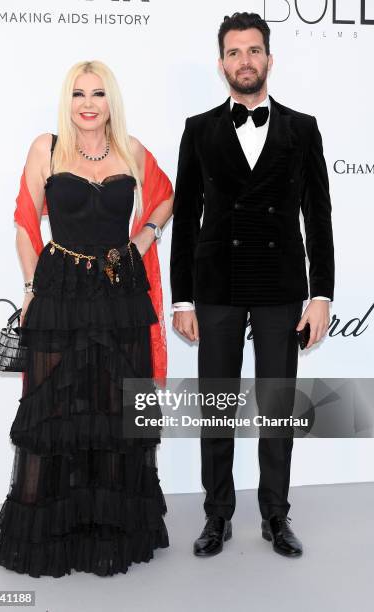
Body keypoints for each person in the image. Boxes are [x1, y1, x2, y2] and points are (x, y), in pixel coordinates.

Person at [0, 60, 173, 577]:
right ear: (66, 101)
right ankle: (50, 530)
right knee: (51, 410)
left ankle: (109, 528)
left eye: (97, 93)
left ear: (110, 100)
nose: (88, 103)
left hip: (119, 295)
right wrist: (30, 288)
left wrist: (141, 241)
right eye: (78, 94)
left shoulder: (131, 150)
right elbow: (26, 223)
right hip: (61, 292)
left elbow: (165, 197)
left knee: (115, 411)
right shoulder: (46, 149)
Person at [170, 12, 334, 558]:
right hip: (215, 283)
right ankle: (216, 516)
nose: (245, 61)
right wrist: (182, 298)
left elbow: (320, 216)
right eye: (235, 52)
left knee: (276, 407)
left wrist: (321, 294)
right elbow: (186, 214)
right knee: (216, 405)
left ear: (269, 58)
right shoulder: (198, 129)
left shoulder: (302, 127)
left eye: (254, 51)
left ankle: (276, 516)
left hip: (281, 284)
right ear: (222, 64)